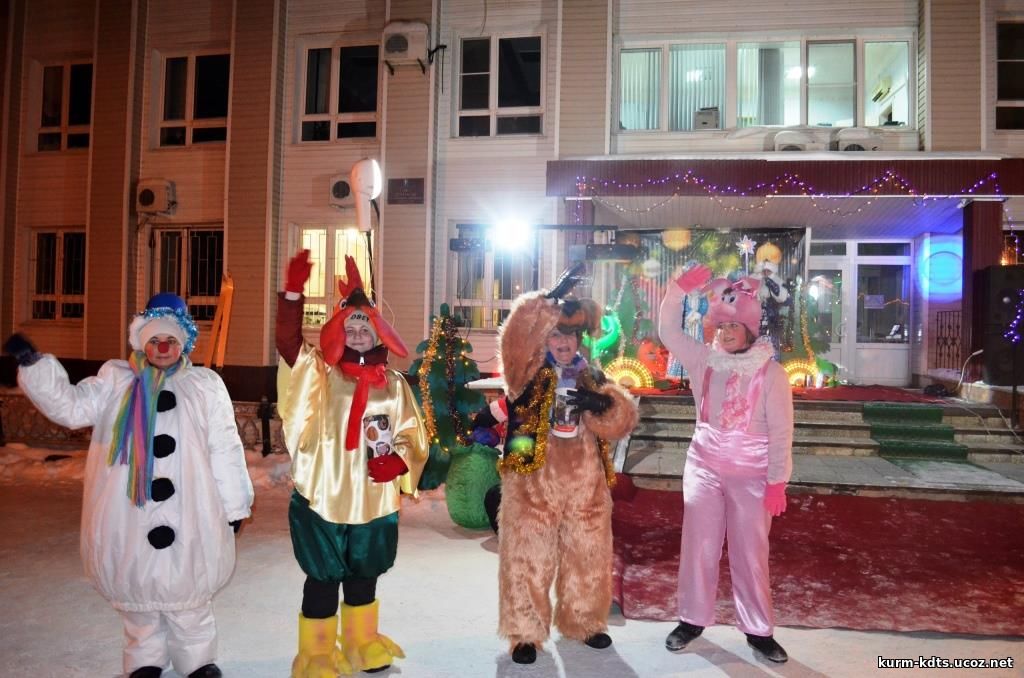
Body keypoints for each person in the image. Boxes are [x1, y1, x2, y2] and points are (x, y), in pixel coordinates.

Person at [3, 293, 254, 678]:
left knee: (189, 595)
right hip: (128, 511)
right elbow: (70, 407)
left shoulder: (204, 386)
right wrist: (35, 367)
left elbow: (225, 447)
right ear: (140, 343)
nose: (163, 348)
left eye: (170, 340)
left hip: (191, 509)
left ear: (184, 343)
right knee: (138, 596)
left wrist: (234, 506)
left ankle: (198, 661)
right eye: (154, 340)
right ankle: (144, 660)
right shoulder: (115, 382)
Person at [277, 250, 428, 676]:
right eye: (350, 328)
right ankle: (318, 652)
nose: (358, 335)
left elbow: (412, 433)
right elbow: (289, 344)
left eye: (365, 328)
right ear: (337, 332)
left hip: (372, 500)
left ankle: (362, 642)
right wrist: (292, 296)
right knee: (322, 579)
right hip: (323, 497)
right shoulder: (319, 373)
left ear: (377, 334)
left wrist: (398, 461)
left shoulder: (394, 384)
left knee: (365, 575)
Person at [495, 268, 638, 665]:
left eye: (570, 335)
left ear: (580, 339)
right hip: (532, 481)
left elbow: (620, 423)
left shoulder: (591, 374)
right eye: (555, 334)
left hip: (585, 484)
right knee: (528, 557)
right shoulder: (525, 371)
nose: (563, 342)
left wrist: (603, 403)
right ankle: (525, 633)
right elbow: (514, 338)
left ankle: (585, 623)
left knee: (587, 555)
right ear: (544, 337)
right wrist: (545, 300)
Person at [658, 264, 794, 664]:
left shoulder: (772, 374)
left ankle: (758, 629)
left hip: (752, 473)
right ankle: (691, 619)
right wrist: (676, 292)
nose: (726, 332)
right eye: (721, 326)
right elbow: (668, 332)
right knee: (697, 545)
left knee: (750, 552)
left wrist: (777, 482)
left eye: (734, 326)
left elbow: (781, 432)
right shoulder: (704, 360)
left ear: (750, 328)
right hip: (703, 466)